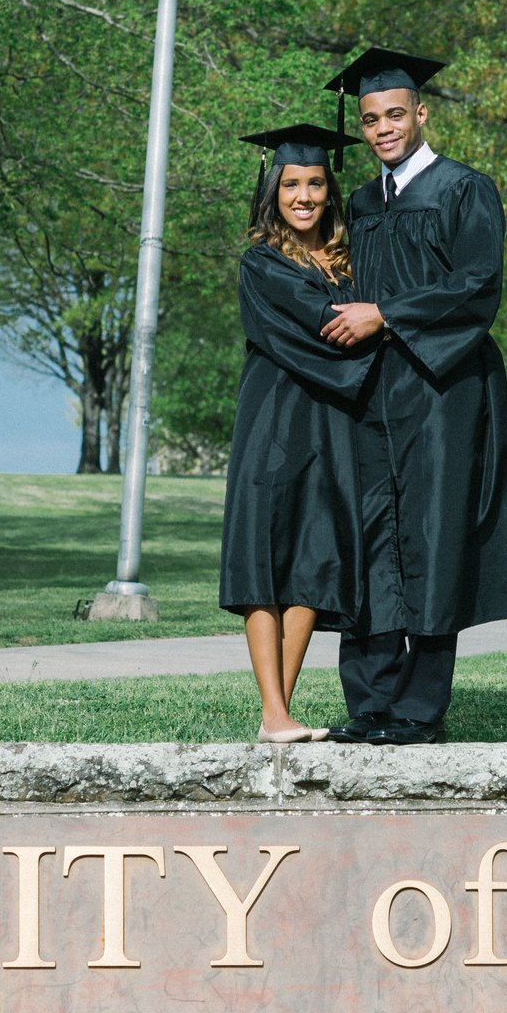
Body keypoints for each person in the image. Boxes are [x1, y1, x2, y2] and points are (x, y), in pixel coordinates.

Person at [318, 49, 507, 745]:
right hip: (372, 396)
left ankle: (418, 710)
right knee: (371, 538)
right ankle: (370, 702)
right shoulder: (359, 204)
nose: (383, 128)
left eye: (395, 115)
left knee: (434, 538)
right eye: (371, 119)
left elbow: (477, 287)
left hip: (443, 391)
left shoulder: (465, 189)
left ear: (421, 113)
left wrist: (385, 314)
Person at [219, 123, 374, 743]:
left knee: (316, 556)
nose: (304, 195)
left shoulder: (349, 260)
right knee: (264, 555)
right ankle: (273, 711)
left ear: (330, 191)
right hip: (275, 420)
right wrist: (367, 329)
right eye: (291, 184)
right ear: (273, 192)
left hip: (330, 425)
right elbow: (317, 329)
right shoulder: (261, 261)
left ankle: (278, 714)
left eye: (315, 183)